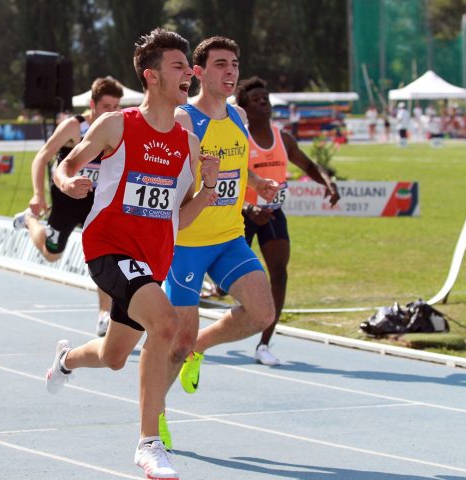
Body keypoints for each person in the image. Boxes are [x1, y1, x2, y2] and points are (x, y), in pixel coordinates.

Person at [45, 28, 220, 480]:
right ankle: (148, 444)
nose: (190, 73)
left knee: (114, 356)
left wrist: (210, 186)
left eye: (190, 66)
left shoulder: (187, 141)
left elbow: (180, 217)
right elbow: (66, 164)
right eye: (179, 66)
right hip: (108, 247)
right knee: (166, 325)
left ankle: (65, 359)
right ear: (152, 76)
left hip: (152, 259)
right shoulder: (117, 125)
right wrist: (68, 183)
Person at [161, 37, 280, 442]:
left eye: (235, 64)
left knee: (263, 314)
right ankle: (154, 417)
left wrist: (258, 181)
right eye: (220, 65)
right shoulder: (183, 119)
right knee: (175, 344)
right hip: (186, 245)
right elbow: (169, 180)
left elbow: (239, 163)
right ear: (198, 73)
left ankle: (200, 347)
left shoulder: (239, 116)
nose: (231, 72)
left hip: (229, 237)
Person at [237, 76, 340, 366]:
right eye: (256, 98)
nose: (263, 102)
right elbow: (227, 180)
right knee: (226, 279)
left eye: (266, 97)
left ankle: (264, 344)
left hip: (273, 212)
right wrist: (247, 207)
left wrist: (328, 184)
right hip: (239, 215)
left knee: (279, 274)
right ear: (244, 106)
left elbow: (308, 164)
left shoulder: (283, 138)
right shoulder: (239, 139)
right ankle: (220, 295)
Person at [13, 76, 124, 336]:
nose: (112, 112)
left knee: (105, 255)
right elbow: (41, 157)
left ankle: (103, 315)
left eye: (116, 106)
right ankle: (29, 220)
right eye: (106, 106)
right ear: (92, 104)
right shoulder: (74, 127)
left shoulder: (115, 127)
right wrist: (38, 194)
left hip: (96, 202)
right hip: (66, 199)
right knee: (53, 254)